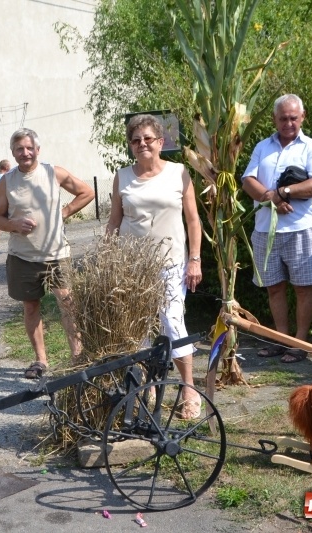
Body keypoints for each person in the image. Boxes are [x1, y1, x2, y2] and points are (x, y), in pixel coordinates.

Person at [106, 114, 204, 420]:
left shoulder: (179, 173)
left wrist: (195, 259)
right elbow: (115, 220)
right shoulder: (123, 177)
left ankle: (189, 389)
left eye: (148, 139)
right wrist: (108, 257)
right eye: (136, 140)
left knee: (173, 323)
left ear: (161, 142)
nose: (142, 144)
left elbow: (192, 220)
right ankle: (148, 385)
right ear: (131, 146)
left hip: (171, 263)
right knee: (139, 327)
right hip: (133, 266)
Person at [0, 128, 94, 379]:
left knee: (68, 304)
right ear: (13, 153)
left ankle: (77, 358)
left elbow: (87, 192)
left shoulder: (53, 172)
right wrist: (14, 224)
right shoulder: (7, 181)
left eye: (29, 148)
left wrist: (66, 211)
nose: (25, 153)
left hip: (57, 253)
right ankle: (41, 360)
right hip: (23, 257)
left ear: (38, 150)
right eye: (19, 149)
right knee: (30, 308)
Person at [241, 94, 312, 364]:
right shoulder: (262, 147)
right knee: (274, 288)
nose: (288, 123)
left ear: (302, 117)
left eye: (293, 117)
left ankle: (299, 343)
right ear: (274, 119)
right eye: (283, 118)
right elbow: (247, 181)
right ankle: (281, 339)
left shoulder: (310, 148)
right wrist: (272, 199)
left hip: (300, 230)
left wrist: (283, 191)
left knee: (303, 288)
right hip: (266, 230)